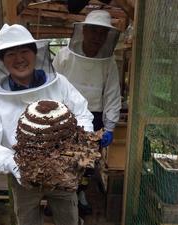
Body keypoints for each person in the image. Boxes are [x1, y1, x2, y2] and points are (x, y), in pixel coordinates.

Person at [0, 23, 95, 225]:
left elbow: (82, 114)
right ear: (1, 60)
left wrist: (79, 147)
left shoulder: (60, 83)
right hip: (23, 177)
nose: (19, 59)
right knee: (26, 219)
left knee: (68, 218)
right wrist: (15, 163)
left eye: (24, 51)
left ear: (35, 53)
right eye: (10, 54)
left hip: (63, 171)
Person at [52, 10, 122, 215]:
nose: (97, 37)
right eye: (93, 31)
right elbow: (52, 88)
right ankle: (61, 198)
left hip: (94, 118)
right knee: (63, 159)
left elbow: (112, 94)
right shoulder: (64, 56)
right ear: (84, 32)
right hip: (65, 116)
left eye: (102, 33)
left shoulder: (109, 62)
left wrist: (109, 126)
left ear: (107, 37)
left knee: (87, 163)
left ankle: (80, 193)